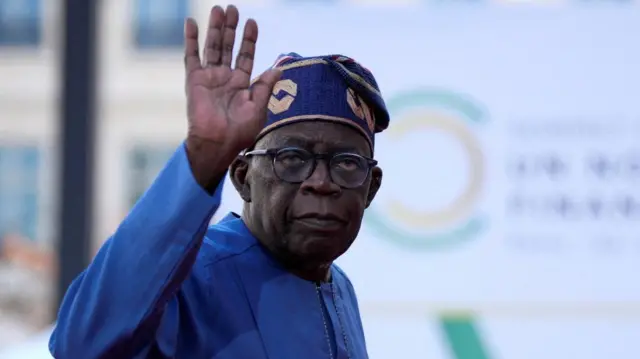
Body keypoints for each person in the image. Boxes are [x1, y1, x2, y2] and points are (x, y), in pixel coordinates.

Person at [49, 4, 390, 359]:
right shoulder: (194, 277)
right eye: (292, 159)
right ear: (243, 178)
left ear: (371, 187)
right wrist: (202, 157)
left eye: (347, 164)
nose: (321, 183)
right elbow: (81, 347)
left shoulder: (340, 289)